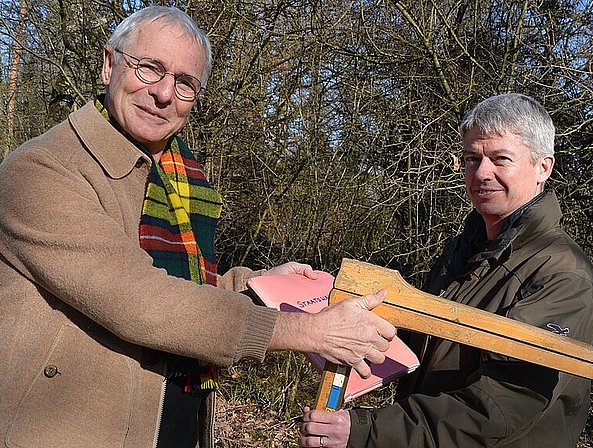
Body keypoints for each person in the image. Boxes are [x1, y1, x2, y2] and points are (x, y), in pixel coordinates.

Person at [0, 6, 396, 447]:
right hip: (75, 430)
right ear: (109, 64)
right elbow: (139, 299)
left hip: (175, 420)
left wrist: (258, 289)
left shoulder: (179, 177)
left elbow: (181, 287)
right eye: (150, 68)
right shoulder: (40, 170)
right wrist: (308, 331)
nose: (164, 93)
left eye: (185, 83)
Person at [300, 93, 593, 448]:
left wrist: (368, 432)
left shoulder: (562, 276)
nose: (481, 173)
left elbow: (499, 409)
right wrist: (325, 314)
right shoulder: (466, 250)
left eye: (500, 159)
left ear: (543, 167)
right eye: (472, 158)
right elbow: (418, 350)